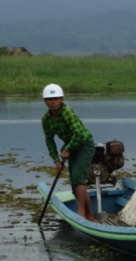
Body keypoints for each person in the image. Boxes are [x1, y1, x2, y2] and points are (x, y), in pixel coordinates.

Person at [41, 84, 97, 223]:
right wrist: (56, 160)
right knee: (75, 182)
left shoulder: (67, 112)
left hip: (84, 144)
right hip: (70, 146)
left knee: (78, 176)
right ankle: (90, 216)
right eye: (49, 99)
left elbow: (78, 134)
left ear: (62, 99)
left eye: (56, 98)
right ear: (45, 101)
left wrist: (67, 149)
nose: (53, 102)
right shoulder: (46, 119)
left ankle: (81, 212)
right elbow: (49, 141)